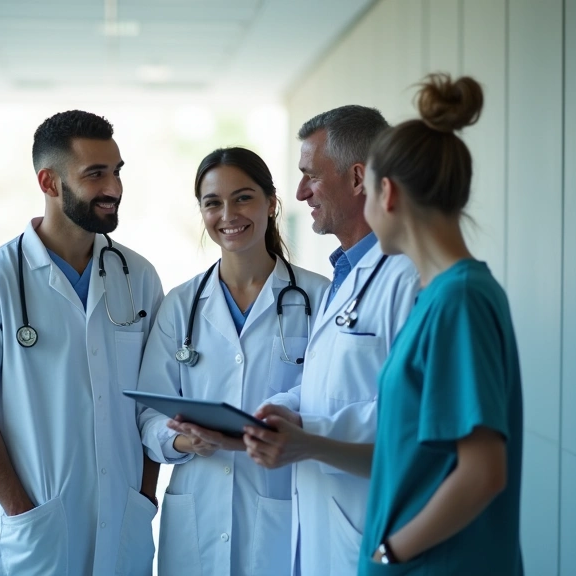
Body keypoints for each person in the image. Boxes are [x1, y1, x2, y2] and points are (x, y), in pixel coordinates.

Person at [0, 110, 164, 575]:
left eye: (116, 171)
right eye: (95, 174)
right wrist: (18, 509)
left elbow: (152, 402)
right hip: (35, 526)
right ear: (49, 183)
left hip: (123, 520)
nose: (113, 187)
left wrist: (144, 496)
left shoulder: (138, 278)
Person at [354, 74, 524, 574]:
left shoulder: (460, 300)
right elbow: (409, 456)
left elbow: (483, 472)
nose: (366, 209)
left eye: (364, 192)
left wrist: (392, 552)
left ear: (387, 194)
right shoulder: (439, 297)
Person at [241, 106, 420, 575]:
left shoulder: (407, 278)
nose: (300, 192)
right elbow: (331, 383)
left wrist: (308, 436)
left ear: (358, 177)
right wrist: (288, 408)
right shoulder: (342, 275)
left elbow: (412, 416)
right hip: (323, 526)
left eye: (310, 177)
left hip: (372, 527)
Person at [135, 147, 329, 576]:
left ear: (271, 203)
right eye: (213, 202)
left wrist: (275, 417)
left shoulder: (319, 297)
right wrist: (186, 442)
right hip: (197, 510)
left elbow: (330, 395)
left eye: (243, 197)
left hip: (283, 501)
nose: (228, 214)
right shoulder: (180, 305)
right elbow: (149, 412)